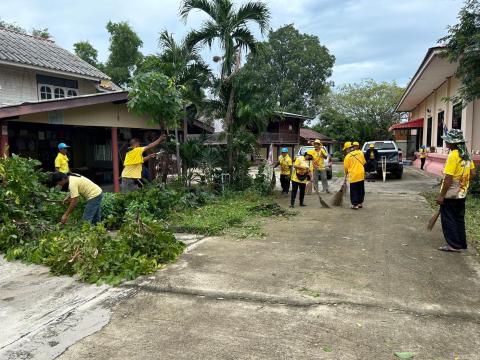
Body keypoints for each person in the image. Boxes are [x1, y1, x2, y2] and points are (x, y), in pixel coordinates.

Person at [436, 129, 476, 252]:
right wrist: (463, 182)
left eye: (447, 141)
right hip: (462, 193)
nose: (446, 142)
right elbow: (473, 173)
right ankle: (462, 244)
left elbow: (448, 178)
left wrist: (441, 196)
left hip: (451, 193)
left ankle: (453, 245)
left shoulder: (453, 155)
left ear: (453, 143)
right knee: (459, 218)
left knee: (448, 218)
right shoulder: (466, 155)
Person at [344, 142, 366, 210]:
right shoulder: (360, 153)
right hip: (361, 174)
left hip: (353, 175)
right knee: (361, 189)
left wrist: (346, 173)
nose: (345, 151)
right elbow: (364, 162)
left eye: (345, 149)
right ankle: (360, 203)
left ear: (348, 149)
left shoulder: (347, 157)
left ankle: (355, 204)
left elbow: (346, 168)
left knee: (354, 190)